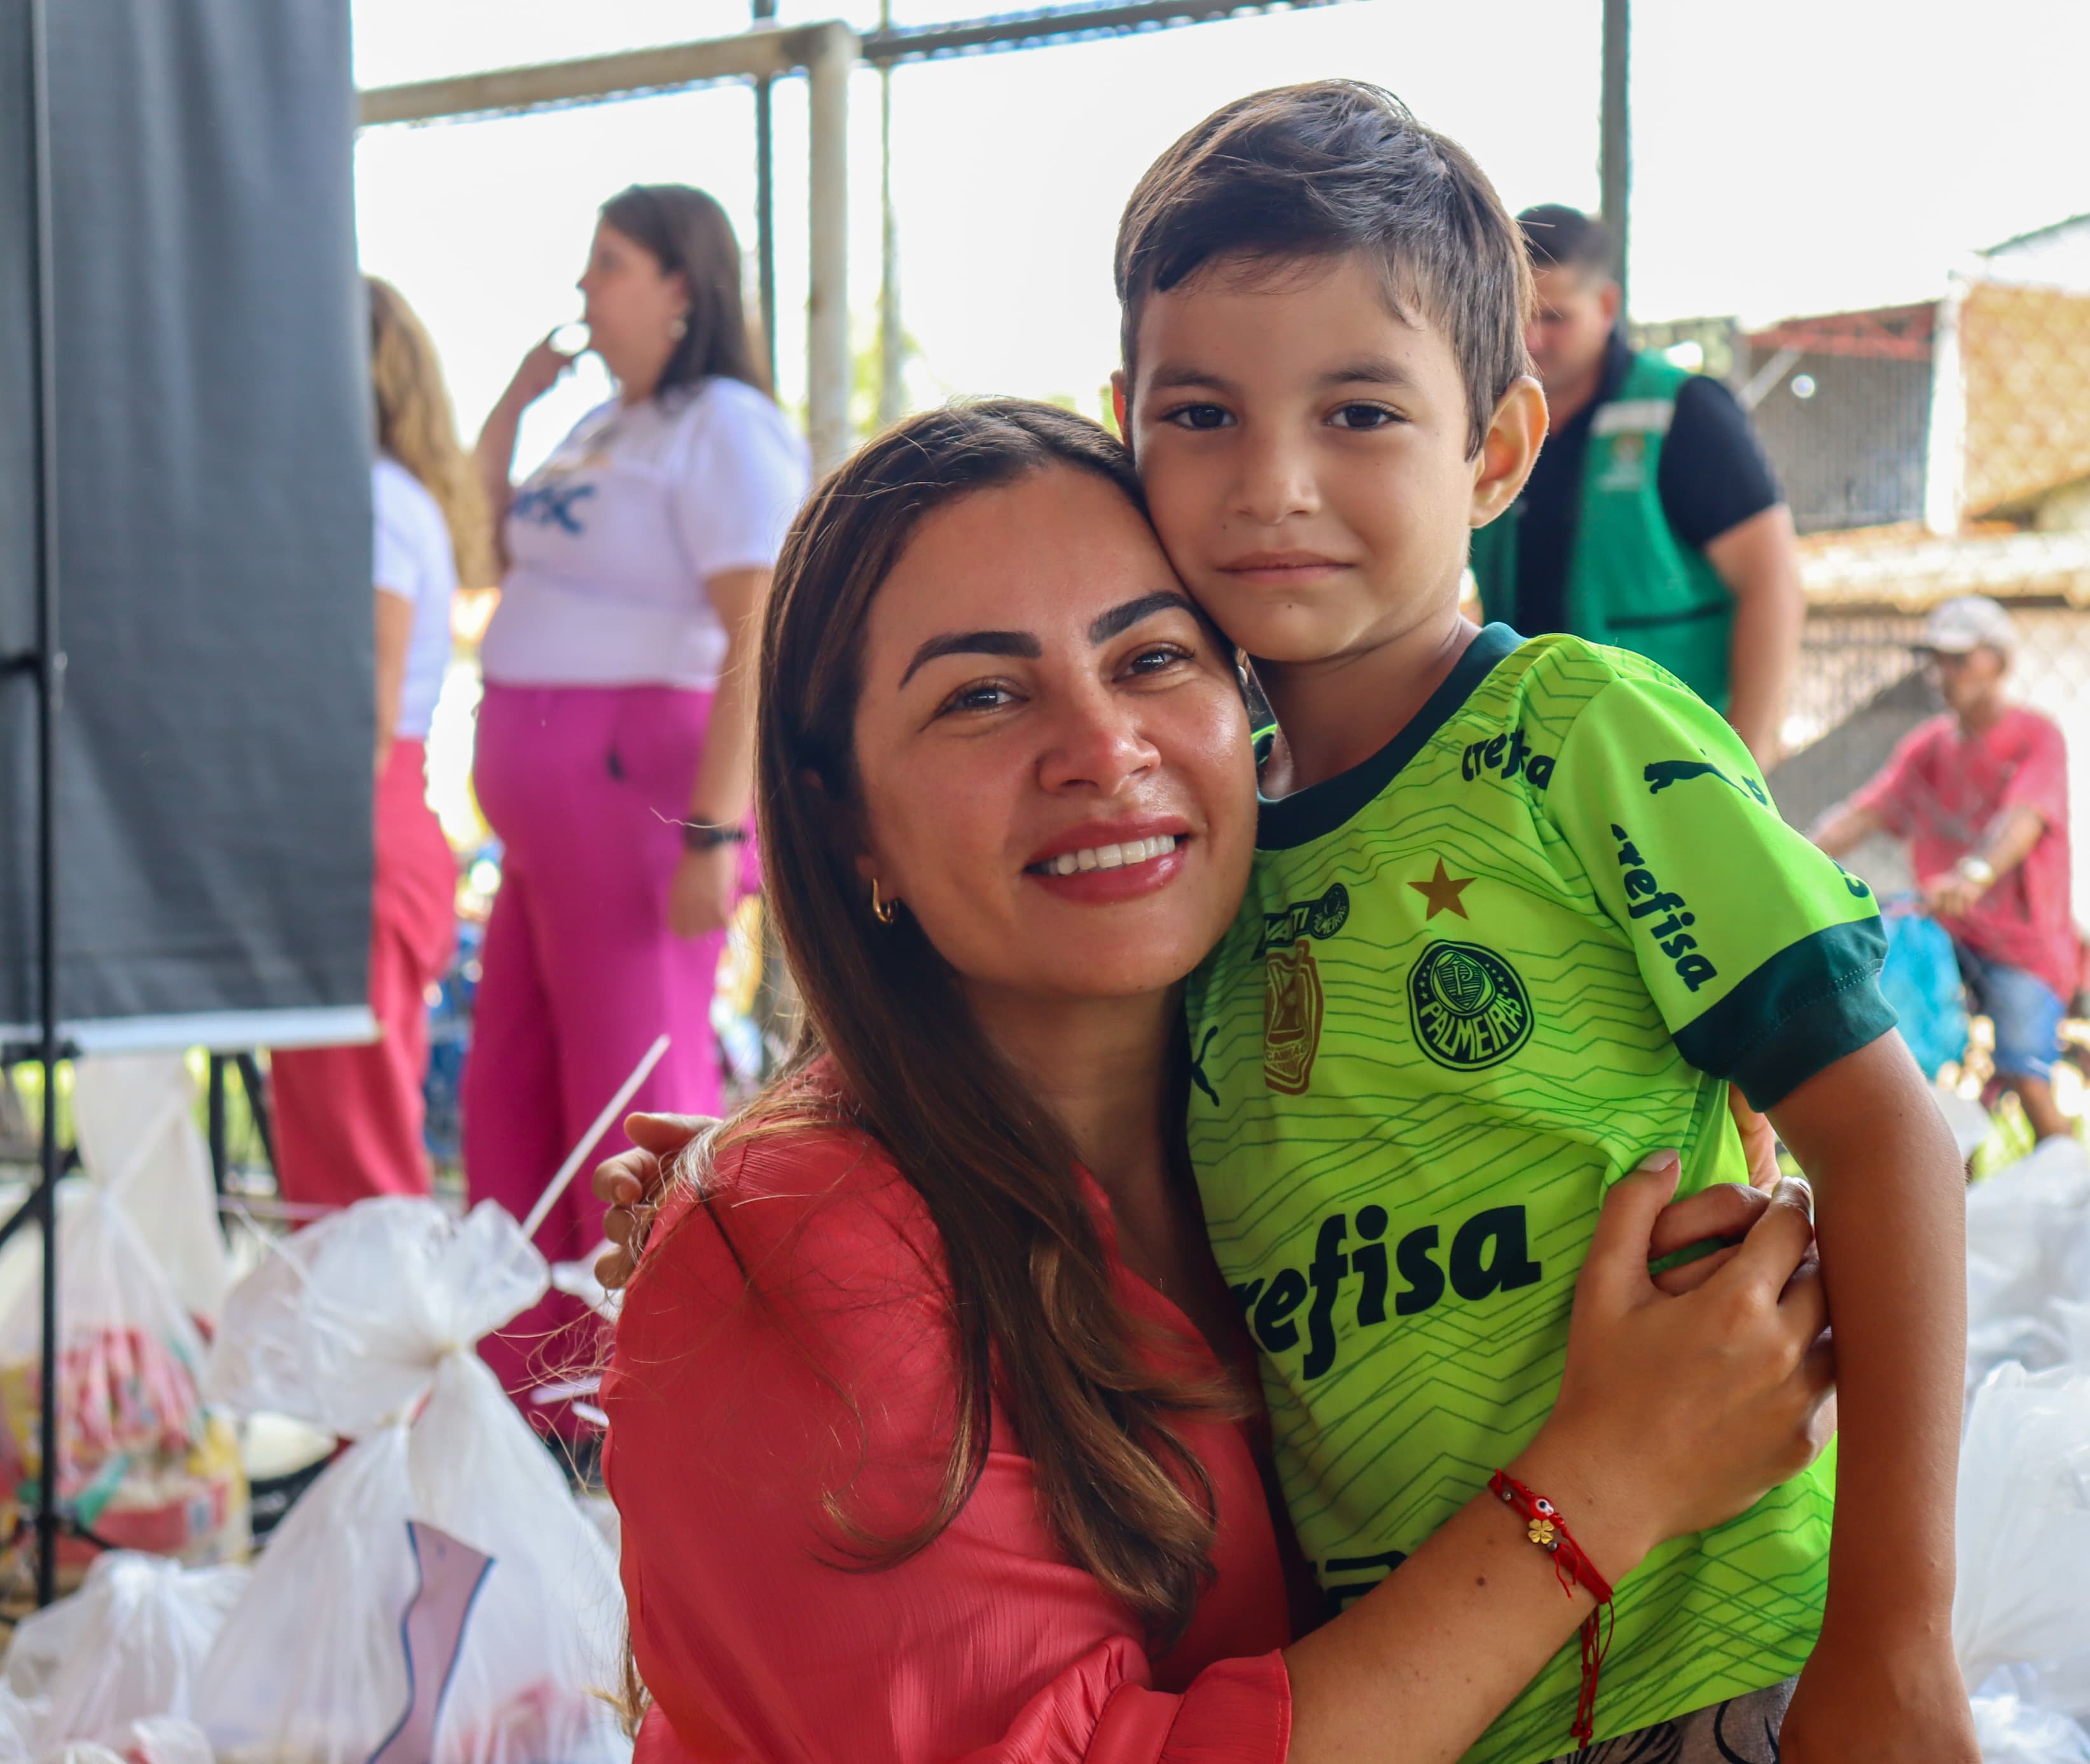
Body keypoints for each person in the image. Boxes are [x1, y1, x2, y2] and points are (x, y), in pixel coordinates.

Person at [607, 83, 1974, 1764]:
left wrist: (1896, 1644)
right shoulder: (827, 1227)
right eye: (978, 696)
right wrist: (762, 1222)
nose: (1105, 752)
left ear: (1495, 450)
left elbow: (1880, 1122)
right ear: (841, 819)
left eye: (1154, 657)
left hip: (1700, 1666)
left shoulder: (1537, 762)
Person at [465, 183, 809, 1427]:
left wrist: (717, 830)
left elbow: (758, 630)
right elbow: (479, 552)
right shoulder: (603, 427)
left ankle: (666, 1400)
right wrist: (510, 404)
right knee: (504, 1099)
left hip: (638, 817)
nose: (584, 290)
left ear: (681, 286)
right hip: (545, 836)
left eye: (607, 264)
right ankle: (540, 1403)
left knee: (625, 1109)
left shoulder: (722, 424)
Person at [268, 278, 483, 1209]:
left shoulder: (375, 499)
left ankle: (390, 1355)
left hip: (352, 837)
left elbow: (364, 701)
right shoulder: (375, 495)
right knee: (331, 1157)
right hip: (351, 833)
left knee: (357, 1167)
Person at [1465, 204, 1805, 767]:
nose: (1531, 338)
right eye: (1514, 316)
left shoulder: (1682, 410)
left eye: (1554, 317)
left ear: (1606, 306)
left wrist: (1749, 755)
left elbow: (1772, 583)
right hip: (1532, 752)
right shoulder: (1492, 418)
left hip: (1671, 753)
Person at [1809, 597, 2076, 1144]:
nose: (1944, 675)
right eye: (1937, 660)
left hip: (2019, 943)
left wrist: (1973, 875)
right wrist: (1795, 858)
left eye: (1960, 660)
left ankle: (2073, 1188)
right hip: (1941, 935)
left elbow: (2022, 820)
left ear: (1998, 662)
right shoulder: (1928, 747)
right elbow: (1863, 812)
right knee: (1881, 1029)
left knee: (2027, 1074)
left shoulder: (2035, 737)